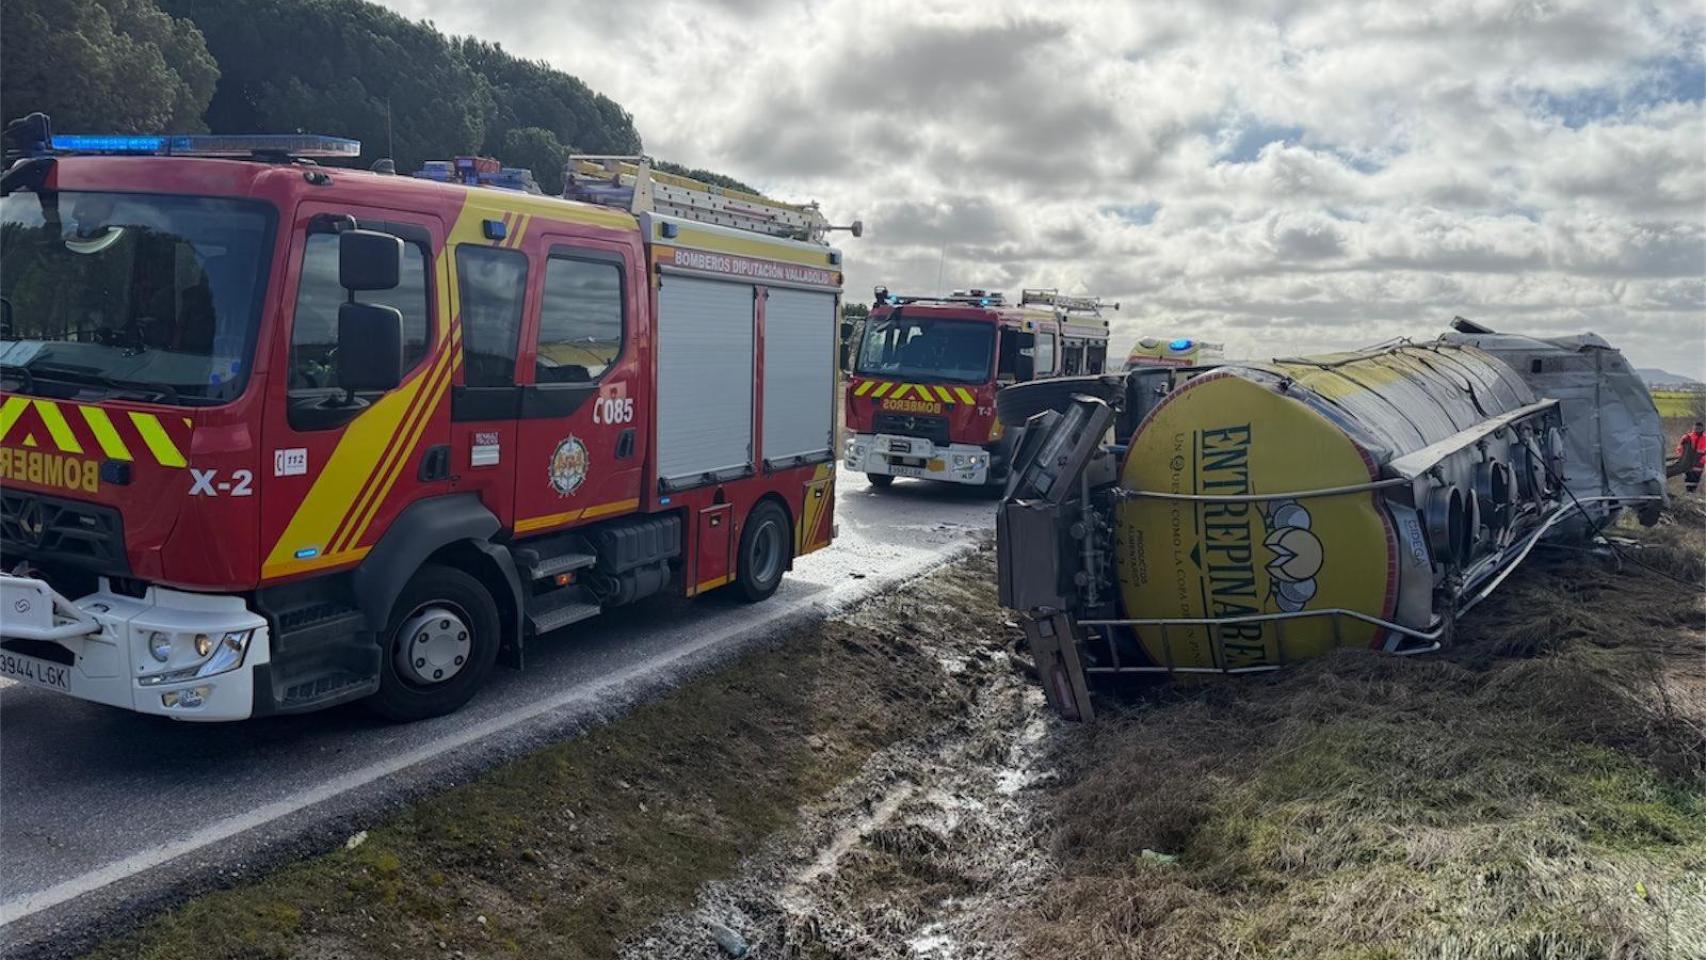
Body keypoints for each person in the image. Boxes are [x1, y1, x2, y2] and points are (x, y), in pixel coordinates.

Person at [1678, 421, 1706, 494]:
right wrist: (1683, 458)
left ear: (1702, 428)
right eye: (1696, 428)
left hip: (1699, 462)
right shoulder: (1687, 437)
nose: (1698, 429)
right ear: (1693, 427)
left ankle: (1692, 493)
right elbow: (1680, 448)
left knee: (1696, 479)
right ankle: (1688, 493)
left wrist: (1702, 460)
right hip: (1688, 461)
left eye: (1699, 428)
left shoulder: (1705, 438)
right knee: (1688, 478)